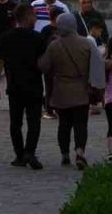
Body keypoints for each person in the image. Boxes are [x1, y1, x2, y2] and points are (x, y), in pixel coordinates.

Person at [39, 13, 104, 169]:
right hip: (81, 89)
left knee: (64, 125)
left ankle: (65, 155)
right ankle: (80, 151)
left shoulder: (54, 46)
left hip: (61, 90)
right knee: (81, 124)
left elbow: (44, 66)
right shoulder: (86, 44)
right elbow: (98, 66)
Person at [0, 5, 46, 169]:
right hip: (34, 85)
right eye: (34, 15)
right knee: (34, 122)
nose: (36, 19)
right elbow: (42, 63)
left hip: (14, 86)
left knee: (15, 123)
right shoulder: (37, 38)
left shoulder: (5, 37)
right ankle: (29, 152)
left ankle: (19, 154)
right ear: (27, 16)